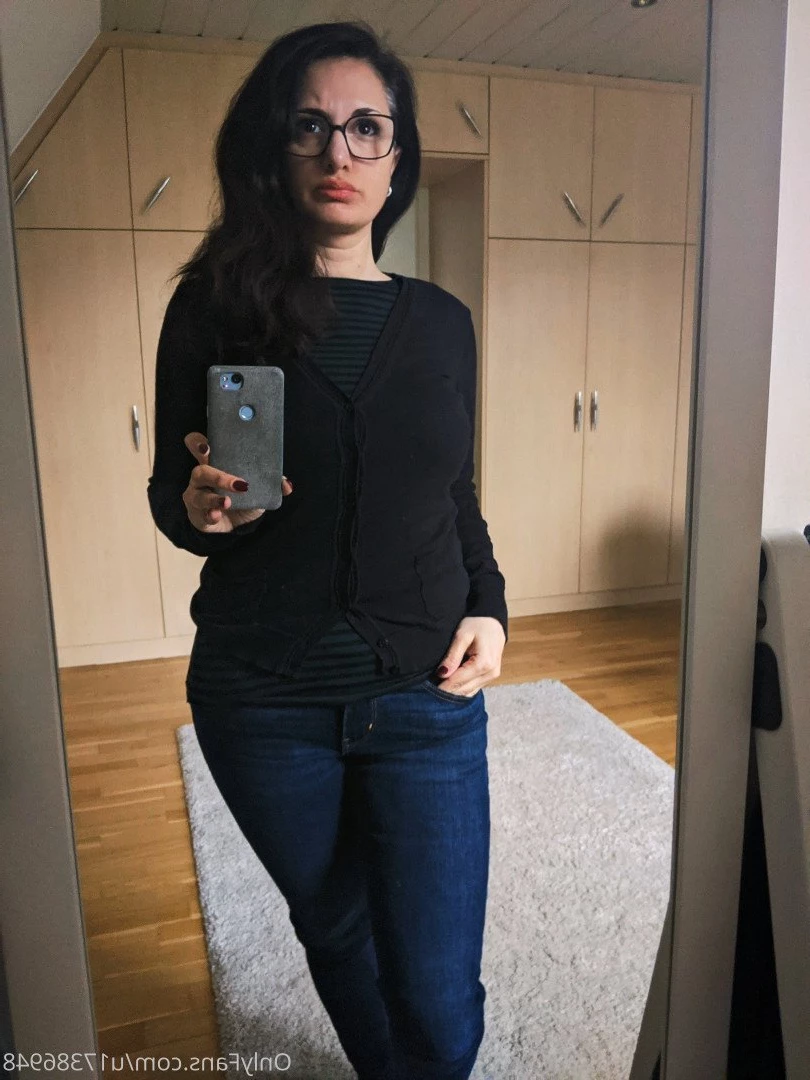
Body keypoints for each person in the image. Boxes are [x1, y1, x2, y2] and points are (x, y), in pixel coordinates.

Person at [147, 20, 508, 1080]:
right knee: (338, 931)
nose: (338, 151)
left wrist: (489, 603)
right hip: (263, 699)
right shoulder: (213, 308)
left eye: (365, 128)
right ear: (276, 148)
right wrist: (202, 508)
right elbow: (171, 495)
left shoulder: (442, 323)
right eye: (310, 126)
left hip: (425, 695)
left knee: (438, 988)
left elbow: (455, 490)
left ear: (397, 157)